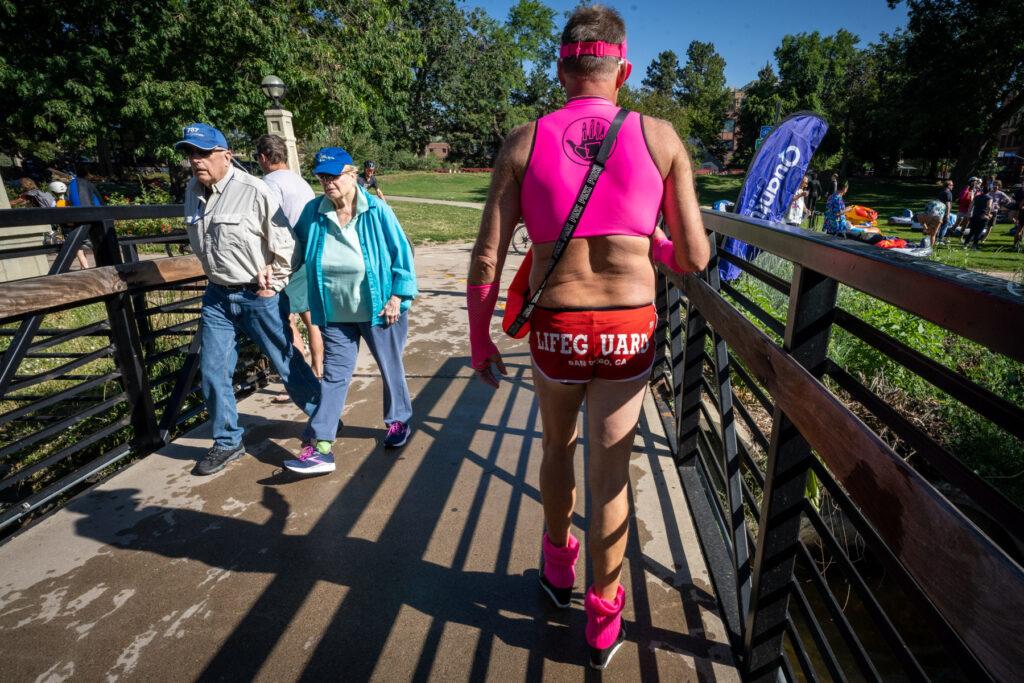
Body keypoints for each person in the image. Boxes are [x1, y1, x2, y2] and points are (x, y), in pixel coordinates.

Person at [466, 5, 709, 669]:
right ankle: (604, 620)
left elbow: (487, 259)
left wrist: (480, 339)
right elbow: (694, 257)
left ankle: (555, 567)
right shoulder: (661, 138)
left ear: (562, 67)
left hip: (559, 331)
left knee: (556, 446)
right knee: (611, 476)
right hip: (628, 330)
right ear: (622, 70)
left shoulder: (523, 142)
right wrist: (649, 240)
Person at [176, 122, 321, 476]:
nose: (196, 161)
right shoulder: (191, 191)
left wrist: (276, 281)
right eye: (191, 153)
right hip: (217, 296)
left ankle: (323, 419)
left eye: (204, 153)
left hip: (258, 295)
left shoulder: (254, 190)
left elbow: (286, 243)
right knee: (212, 370)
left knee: (286, 361)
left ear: (227, 155)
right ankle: (227, 441)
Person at [283, 147, 417, 475]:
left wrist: (398, 296)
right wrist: (271, 272)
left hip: (380, 309)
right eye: (322, 176)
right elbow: (292, 252)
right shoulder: (313, 212)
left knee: (390, 368)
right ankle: (321, 447)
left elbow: (402, 254)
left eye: (334, 175)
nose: (328, 182)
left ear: (352, 175)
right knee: (333, 377)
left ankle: (398, 421)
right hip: (334, 310)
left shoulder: (377, 211)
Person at [255, 134, 323, 399]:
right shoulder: (301, 182)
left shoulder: (267, 184)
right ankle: (318, 371)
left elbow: (266, 225)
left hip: (285, 259)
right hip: (307, 253)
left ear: (263, 157)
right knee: (311, 317)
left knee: (286, 320)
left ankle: (301, 378)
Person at [963, 185, 994, 250]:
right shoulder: (989, 198)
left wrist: (969, 214)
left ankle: (965, 244)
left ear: (982, 190)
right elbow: (989, 207)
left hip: (975, 215)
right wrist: (988, 215)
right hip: (983, 216)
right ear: (989, 190)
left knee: (972, 231)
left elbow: (971, 206)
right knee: (979, 232)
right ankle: (974, 246)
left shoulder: (976, 197)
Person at [934, 179, 955, 245]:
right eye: (952, 185)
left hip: (939, 212)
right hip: (944, 212)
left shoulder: (941, 192)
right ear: (948, 186)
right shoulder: (948, 193)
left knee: (938, 226)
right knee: (944, 226)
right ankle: (940, 240)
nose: (953, 186)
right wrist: (948, 214)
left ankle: (935, 239)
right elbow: (948, 204)